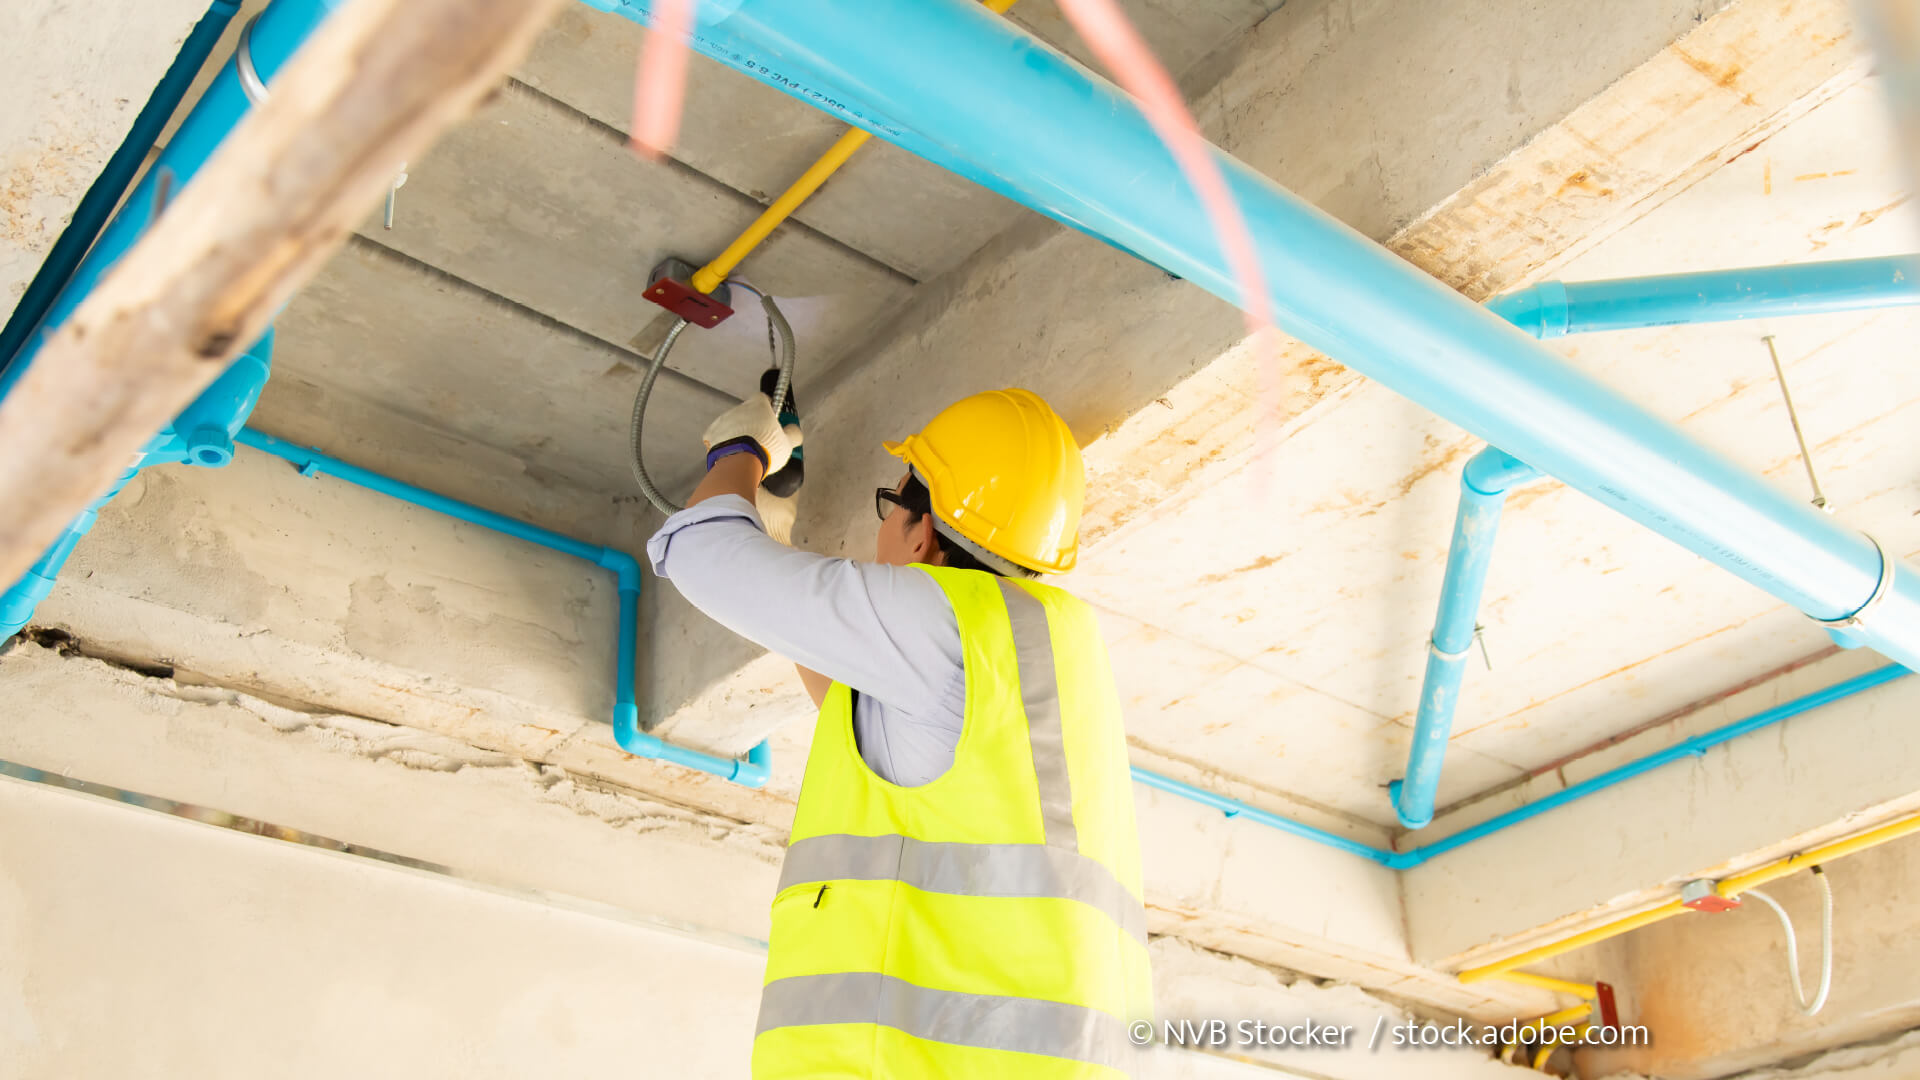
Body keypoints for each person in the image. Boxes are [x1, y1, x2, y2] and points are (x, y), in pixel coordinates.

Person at [647, 386, 1151, 1078]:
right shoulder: (1044, 658)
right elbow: (861, 721)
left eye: (891, 503)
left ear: (923, 535)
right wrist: (779, 544)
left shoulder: (945, 626)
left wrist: (742, 454)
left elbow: (701, 553)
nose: (884, 530)